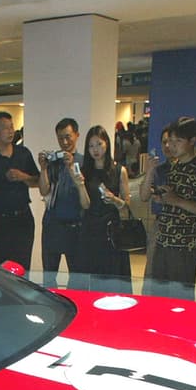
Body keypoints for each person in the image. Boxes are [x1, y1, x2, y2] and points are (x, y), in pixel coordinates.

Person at [141, 117, 196, 300]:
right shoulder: (173, 166)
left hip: (185, 245)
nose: (172, 146)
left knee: (181, 298)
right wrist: (163, 198)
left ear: (192, 141)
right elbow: (146, 196)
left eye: (178, 141)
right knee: (159, 294)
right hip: (163, 240)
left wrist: (176, 201)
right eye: (169, 141)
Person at [72, 125, 131, 292]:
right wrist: (80, 185)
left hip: (112, 231)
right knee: (90, 278)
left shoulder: (119, 170)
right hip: (90, 230)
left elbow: (126, 206)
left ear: (107, 144)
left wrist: (114, 200)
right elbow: (85, 205)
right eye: (91, 146)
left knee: (113, 279)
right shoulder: (85, 171)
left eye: (99, 144)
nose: (95, 150)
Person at [0, 111, 39, 270]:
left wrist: (23, 177)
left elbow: (38, 181)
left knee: (23, 266)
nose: (11, 131)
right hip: (1, 223)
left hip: (23, 219)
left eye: (11, 127)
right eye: (5, 128)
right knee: (2, 268)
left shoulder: (23, 153)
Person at [36, 117, 83, 288]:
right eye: (60, 137)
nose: (64, 142)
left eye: (68, 137)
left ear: (77, 135)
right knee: (49, 277)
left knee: (77, 278)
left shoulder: (84, 162)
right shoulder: (52, 161)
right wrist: (43, 168)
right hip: (52, 225)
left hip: (75, 227)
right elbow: (43, 190)